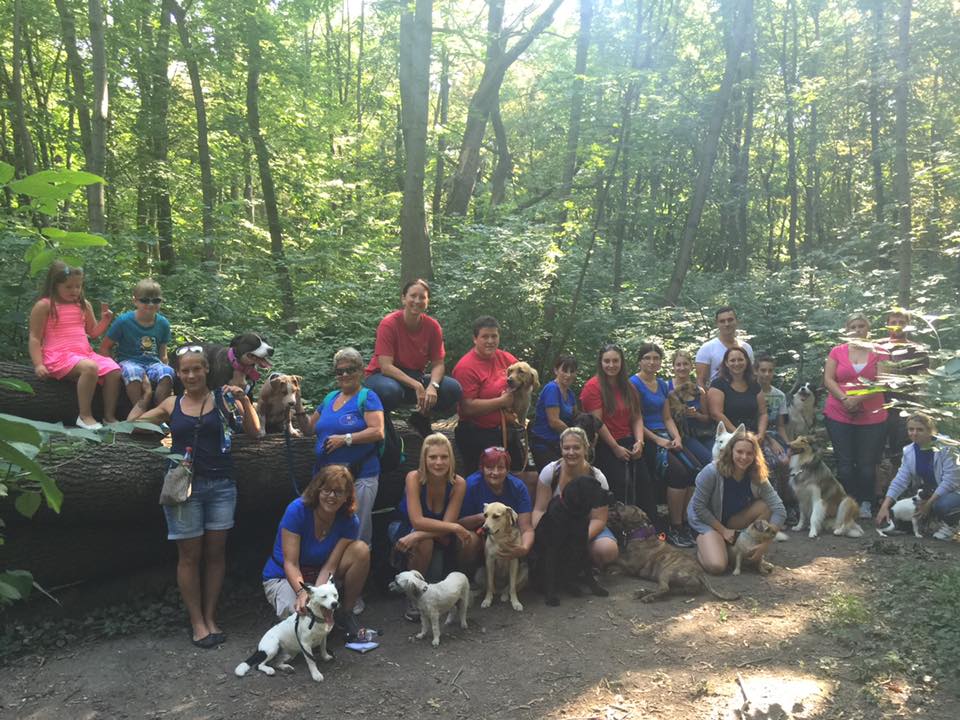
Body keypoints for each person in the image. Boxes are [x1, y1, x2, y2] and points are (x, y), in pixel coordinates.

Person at [128, 346, 261, 648]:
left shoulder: (223, 399)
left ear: (206, 370)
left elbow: (254, 432)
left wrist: (243, 398)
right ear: (178, 373)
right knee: (189, 557)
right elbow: (133, 427)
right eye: (185, 370)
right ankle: (197, 621)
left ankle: (211, 616)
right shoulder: (171, 404)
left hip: (222, 486)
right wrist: (145, 397)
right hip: (183, 488)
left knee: (216, 555)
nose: (191, 375)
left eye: (196, 369)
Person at [261, 465, 371, 638]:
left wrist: (318, 596)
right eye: (327, 490)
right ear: (318, 490)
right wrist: (303, 593)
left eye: (338, 492)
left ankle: (346, 613)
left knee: (361, 550)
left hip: (320, 572)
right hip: (285, 575)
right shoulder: (297, 510)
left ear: (347, 496)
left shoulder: (350, 521)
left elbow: (330, 565)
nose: (332, 496)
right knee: (301, 616)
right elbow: (291, 562)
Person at [295, 348, 384, 550]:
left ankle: (356, 572)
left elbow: (378, 432)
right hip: (326, 478)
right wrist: (297, 402)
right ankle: (328, 575)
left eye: (350, 369)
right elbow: (309, 429)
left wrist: (346, 439)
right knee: (327, 527)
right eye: (339, 371)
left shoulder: (367, 397)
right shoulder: (330, 398)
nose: (344, 375)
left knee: (356, 530)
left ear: (361, 371)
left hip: (359, 475)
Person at [390, 433, 475, 620]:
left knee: (470, 539)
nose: (438, 462)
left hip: (438, 536)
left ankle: (459, 587)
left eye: (444, 457)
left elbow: (446, 526)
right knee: (425, 543)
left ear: (451, 459)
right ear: (424, 459)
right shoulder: (413, 477)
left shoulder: (458, 483)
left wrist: (447, 529)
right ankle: (413, 598)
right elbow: (416, 521)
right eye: (433, 457)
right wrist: (453, 528)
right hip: (404, 530)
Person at [28, 261, 121, 429]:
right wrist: (38, 364)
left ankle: (109, 416)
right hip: (58, 356)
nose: (75, 291)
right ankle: (84, 416)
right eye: (69, 287)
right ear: (55, 285)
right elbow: (35, 337)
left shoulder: (84, 305)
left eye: (78, 286)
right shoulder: (44, 305)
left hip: (84, 354)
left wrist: (105, 320)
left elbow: (92, 332)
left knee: (114, 370)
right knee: (90, 367)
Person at [363, 279, 462, 437]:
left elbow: (438, 364)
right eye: (413, 296)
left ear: (427, 301)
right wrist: (417, 386)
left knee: (452, 389)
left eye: (422, 297)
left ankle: (420, 419)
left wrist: (433, 386)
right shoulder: (389, 324)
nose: (417, 301)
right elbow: (386, 366)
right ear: (403, 298)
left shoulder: (432, 327)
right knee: (389, 391)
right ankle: (382, 425)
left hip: (414, 377)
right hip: (382, 377)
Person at [687, 431, 786, 575]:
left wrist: (766, 543)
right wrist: (723, 530)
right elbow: (698, 507)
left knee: (765, 506)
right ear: (730, 451)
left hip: (733, 520)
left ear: (755, 455)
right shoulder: (711, 472)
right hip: (707, 521)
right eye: (739, 452)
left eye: (749, 453)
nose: (744, 457)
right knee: (717, 566)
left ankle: (751, 550)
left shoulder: (757, 475)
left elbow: (779, 509)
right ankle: (704, 549)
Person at [630, 343, 698, 548]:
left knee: (695, 469)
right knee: (678, 474)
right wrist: (658, 440)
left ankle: (685, 521)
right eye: (647, 358)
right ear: (640, 360)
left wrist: (676, 437)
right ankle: (674, 526)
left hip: (667, 435)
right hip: (647, 437)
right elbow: (635, 418)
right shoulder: (633, 383)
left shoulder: (661, 384)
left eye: (656, 358)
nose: (652, 362)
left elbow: (667, 417)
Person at [823, 312, 889, 518]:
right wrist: (845, 399)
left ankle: (866, 502)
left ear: (868, 329)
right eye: (853, 326)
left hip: (872, 414)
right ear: (847, 329)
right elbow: (828, 379)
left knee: (866, 464)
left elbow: (882, 381)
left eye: (861, 326)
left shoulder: (879, 351)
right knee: (845, 464)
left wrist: (857, 400)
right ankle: (847, 502)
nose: (857, 330)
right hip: (838, 412)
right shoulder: (837, 351)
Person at [532, 427, 619, 567]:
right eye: (566, 448)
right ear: (561, 449)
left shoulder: (597, 477)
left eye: (576, 448)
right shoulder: (550, 472)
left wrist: (574, 539)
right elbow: (539, 510)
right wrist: (543, 537)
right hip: (556, 527)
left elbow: (599, 519)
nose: (571, 452)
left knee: (607, 551)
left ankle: (583, 564)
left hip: (586, 527)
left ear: (586, 448)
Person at [580, 344, 650, 514]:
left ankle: (649, 529)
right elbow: (597, 422)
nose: (611, 365)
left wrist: (639, 441)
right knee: (621, 482)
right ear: (601, 363)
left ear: (621, 362)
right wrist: (615, 448)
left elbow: (636, 417)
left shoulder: (628, 386)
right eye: (607, 361)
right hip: (606, 443)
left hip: (629, 440)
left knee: (644, 481)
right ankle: (619, 526)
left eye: (615, 361)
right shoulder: (593, 387)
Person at [451, 316, 525, 475]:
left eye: (494, 336)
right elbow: (467, 408)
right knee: (487, 478)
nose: (490, 341)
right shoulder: (466, 367)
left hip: (507, 429)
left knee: (524, 473)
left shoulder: (506, 358)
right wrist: (501, 401)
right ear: (475, 339)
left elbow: (524, 379)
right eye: (485, 336)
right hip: (477, 432)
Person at [99, 278, 175, 417]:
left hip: (152, 362)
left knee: (167, 372)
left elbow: (163, 352)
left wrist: (165, 365)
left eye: (156, 300)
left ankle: (159, 414)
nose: (150, 304)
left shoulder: (163, 323)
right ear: (135, 301)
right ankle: (140, 411)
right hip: (129, 360)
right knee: (133, 372)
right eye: (145, 300)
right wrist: (112, 368)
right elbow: (105, 347)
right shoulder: (124, 321)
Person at [876, 413, 960, 538]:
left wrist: (928, 504)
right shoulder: (909, 451)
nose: (914, 433)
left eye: (920, 429)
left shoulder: (946, 447)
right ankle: (933, 521)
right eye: (911, 429)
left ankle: (951, 525)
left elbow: (950, 481)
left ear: (931, 430)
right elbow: (901, 480)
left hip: (953, 491)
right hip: (929, 492)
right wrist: (885, 506)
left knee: (943, 505)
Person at [458, 446, 535, 568]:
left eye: (500, 467)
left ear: (507, 470)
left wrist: (523, 549)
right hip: (478, 533)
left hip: (507, 535)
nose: (495, 472)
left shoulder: (518, 487)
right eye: (489, 467)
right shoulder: (471, 485)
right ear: (481, 469)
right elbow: (459, 523)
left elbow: (526, 528)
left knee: (517, 538)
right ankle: (467, 573)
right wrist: (483, 518)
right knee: (469, 540)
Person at [876, 308, 930, 467]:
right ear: (887, 325)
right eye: (893, 322)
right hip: (877, 403)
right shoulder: (878, 346)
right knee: (875, 447)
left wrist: (921, 406)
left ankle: (900, 484)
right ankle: (877, 486)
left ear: (908, 325)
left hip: (905, 404)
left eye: (902, 322)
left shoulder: (917, 349)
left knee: (900, 447)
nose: (897, 326)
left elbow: (923, 378)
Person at [530, 354, 579, 471]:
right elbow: (554, 421)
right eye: (564, 370)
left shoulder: (570, 394)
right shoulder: (552, 389)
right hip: (545, 445)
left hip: (561, 445)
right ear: (556, 370)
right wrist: (576, 436)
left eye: (572, 371)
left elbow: (576, 417)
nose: (568, 375)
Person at [667, 349, 713, 466]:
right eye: (678, 364)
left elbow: (707, 418)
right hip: (683, 435)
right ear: (673, 367)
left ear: (691, 367)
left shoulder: (699, 390)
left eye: (685, 364)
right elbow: (665, 417)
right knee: (710, 461)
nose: (682, 368)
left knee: (720, 458)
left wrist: (697, 415)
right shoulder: (667, 387)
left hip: (702, 433)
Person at [708, 347, 767, 435]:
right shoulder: (718, 384)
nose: (737, 363)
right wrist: (739, 434)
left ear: (746, 361)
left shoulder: (754, 385)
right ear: (726, 363)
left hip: (753, 434)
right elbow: (716, 414)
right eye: (732, 360)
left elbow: (763, 413)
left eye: (740, 360)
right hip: (727, 435)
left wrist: (761, 434)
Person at [695, 306, 755, 388]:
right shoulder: (707, 348)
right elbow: (700, 381)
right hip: (716, 397)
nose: (727, 324)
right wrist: (705, 399)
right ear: (717, 324)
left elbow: (750, 375)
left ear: (736, 321)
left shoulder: (746, 348)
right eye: (722, 321)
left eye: (730, 320)